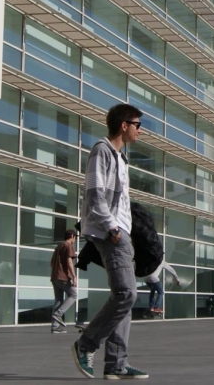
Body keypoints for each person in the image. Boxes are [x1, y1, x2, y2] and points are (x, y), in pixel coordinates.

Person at [71, 104, 148, 380]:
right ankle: (85, 344)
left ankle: (116, 363)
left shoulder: (120, 157)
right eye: (137, 124)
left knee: (122, 297)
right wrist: (112, 227)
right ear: (123, 125)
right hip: (111, 232)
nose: (141, 130)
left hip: (121, 233)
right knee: (127, 293)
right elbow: (94, 194)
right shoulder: (102, 150)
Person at [51, 229, 78, 333]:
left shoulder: (58, 246)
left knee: (58, 299)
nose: (75, 240)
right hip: (62, 277)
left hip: (54, 276)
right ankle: (58, 314)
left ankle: (55, 327)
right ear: (72, 236)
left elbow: (52, 263)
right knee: (74, 294)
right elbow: (69, 261)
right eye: (75, 237)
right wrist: (73, 276)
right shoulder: (68, 245)